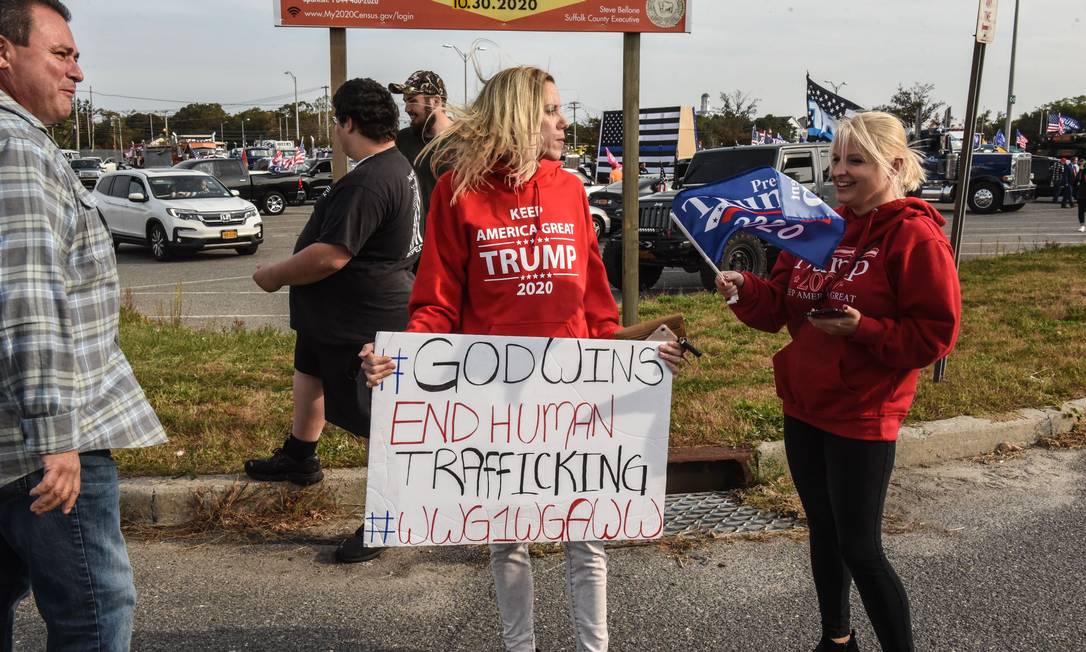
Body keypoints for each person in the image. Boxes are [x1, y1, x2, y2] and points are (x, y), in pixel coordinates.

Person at [359, 66, 684, 652]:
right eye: (552, 111)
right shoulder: (459, 193)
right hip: (493, 401)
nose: (564, 122)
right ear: (517, 118)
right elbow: (436, 303)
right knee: (507, 537)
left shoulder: (571, 191)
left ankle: (594, 647)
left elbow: (595, 302)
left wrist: (636, 358)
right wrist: (401, 360)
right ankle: (520, 645)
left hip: (572, 390)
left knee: (586, 535)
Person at [715, 111, 961, 652]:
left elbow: (933, 336)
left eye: (855, 160)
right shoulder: (820, 226)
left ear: (894, 165)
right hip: (804, 403)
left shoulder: (914, 237)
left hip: (863, 410)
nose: (840, 173)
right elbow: (779, 305)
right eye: (836, 160)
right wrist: (743, 289)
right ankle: (837, 640)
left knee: (861, 547)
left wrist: (864, 328)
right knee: (823, 532)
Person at [0, 0, 168, 647]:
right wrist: (56, 439)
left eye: (76, 56)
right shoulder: (18, 148)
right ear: (5, 54)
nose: (77, 71)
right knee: (93, 617)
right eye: (61, 54)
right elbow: (28, 299)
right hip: (41, 453)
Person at [244, 77, 422, 564]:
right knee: (311, 372)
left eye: (335, 121)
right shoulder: (393, 165)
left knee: (372, 423)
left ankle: (389, 516)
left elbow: (331, 256)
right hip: (331, 318)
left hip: (358, 319)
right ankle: (300, 458)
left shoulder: (369, 179)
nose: (335, 130)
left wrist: (276, 275)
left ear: (347, 122)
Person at [388, 70, 452, 229]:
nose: (407, 108)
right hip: (415, 243)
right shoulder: (401, 140)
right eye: (405, 101)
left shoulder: (466, 140)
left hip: (453, 240)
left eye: (412, 101)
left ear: (436, 101)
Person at [1077, 161, 1086, 232]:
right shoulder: (1082, 172)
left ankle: (1082, 226)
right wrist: (1080, 170)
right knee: (1081, 211)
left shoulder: (1082, 172)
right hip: (1082, 195)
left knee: (1081, 211)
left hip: (1082, 194)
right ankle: (1082, 226)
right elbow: (1077, 180)